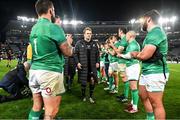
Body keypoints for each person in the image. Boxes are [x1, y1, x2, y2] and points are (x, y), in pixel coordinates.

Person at [28, 0, 73, 119]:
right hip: (49, 72)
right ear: (50, 11)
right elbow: (68, 52)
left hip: (34, 72)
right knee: (50, 111)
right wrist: (68, 43)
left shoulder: (33, 28)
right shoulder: (54, 28)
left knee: (37, 106)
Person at [131, 10, 169, 119]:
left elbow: (144, 55)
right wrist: (139, 54)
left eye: (142, 20)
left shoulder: (156, 32)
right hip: (148, 71)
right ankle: (150, 118)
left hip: (156, 72)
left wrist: (135, 54)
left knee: (156, 103)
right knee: (142, 95)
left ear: (148, 19)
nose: (141, 23)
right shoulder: (151, 33)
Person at [74, 27, 100, 103]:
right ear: (84, 34)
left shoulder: (94, 43)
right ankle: (83, 96)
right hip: (83, 66)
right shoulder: (79, 43)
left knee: (92, 81)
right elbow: (75, 54)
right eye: (87, 33)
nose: (89, 35)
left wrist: (98, 62)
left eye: (90, 34)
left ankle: (91, 97)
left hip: (92, 67)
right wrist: (77, 63)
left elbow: (97, 54)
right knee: (83, 82)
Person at [117, 31, 140, 113]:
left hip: (133, 66)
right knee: (132, 87)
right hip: (131, 66)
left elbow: (130, 55)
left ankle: (135, 108)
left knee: (134, 87)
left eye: (126, 35)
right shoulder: (132, 44)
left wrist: (121, 55)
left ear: (130, 35)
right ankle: (133, 103)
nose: (125, 36)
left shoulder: (133, 44)